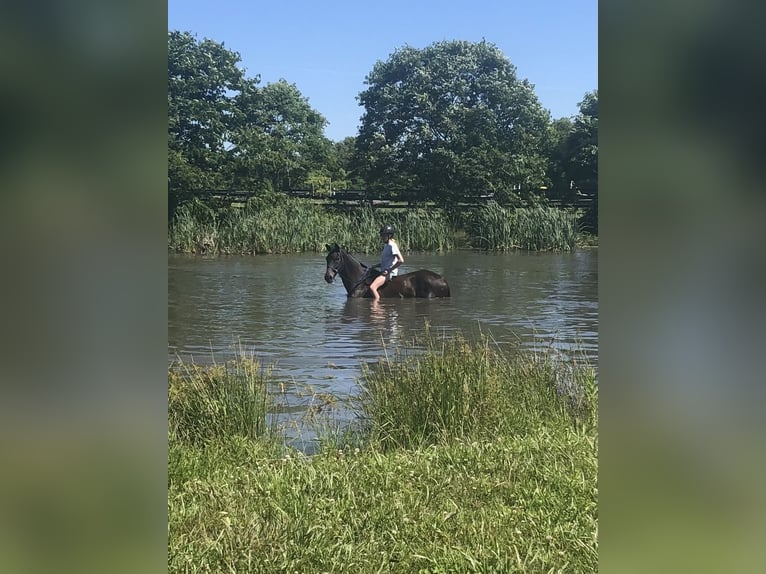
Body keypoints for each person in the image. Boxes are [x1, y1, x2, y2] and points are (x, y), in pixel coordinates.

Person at [369, 224, 403, 301]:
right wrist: (375, 266)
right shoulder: (386, 245)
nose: (382, 237)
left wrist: (389, 270)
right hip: (384, 271)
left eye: (384, 235)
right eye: (382, 235)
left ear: (389, 235)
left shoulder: (392, 245)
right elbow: (386, 262)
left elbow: (401, 260)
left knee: (372, 287)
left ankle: (376, 307)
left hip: (389, 274)